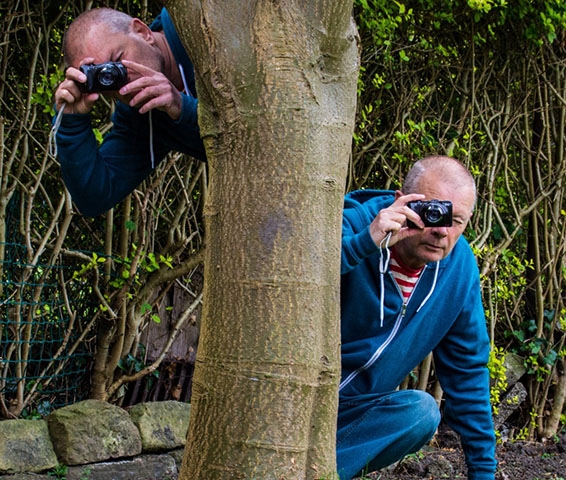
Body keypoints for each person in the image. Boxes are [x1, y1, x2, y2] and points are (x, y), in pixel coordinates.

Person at [337, 155, 496, 480]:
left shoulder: (459, 270)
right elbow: (295, 275)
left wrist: (483, 473)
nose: (441, 231)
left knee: (420, 412)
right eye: (432, 212)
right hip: (293, 391)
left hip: (353, 414)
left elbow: (467, 371)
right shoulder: (353, 222)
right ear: (401, 201)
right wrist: (365, 243)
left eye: (456, 220)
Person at [53, 7, 206, 217]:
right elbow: (94, 198)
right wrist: (72, 123)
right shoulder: (143, 112)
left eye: (118, 59)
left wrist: (184, 108)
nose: (120, 78)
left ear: (142, 32)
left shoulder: (203, 24)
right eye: (103, 77)